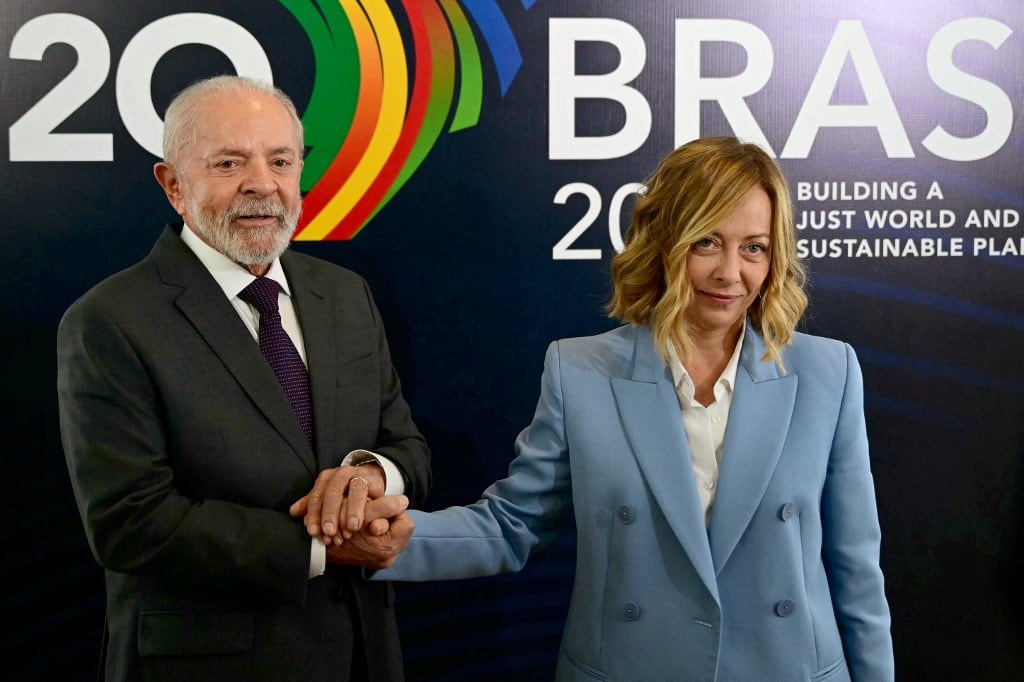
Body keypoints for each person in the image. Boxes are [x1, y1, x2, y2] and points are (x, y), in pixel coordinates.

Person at [310, 136, 895, 679]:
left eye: (755, 249)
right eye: (706, 242)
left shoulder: (826, 372)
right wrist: (393, 538)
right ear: (665, 243)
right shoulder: (581, 372)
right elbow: (512, 526)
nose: (729, 273)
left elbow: (856, 573)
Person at [56, 74, 431, 681]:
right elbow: (130, 523)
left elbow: (407, 447)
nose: (263, 183)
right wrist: (326, 544)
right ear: (173, 185)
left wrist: (368, 476)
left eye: (281, 160)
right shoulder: (109, 321)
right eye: (230, 163)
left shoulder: (344, 293)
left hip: (363, 653)